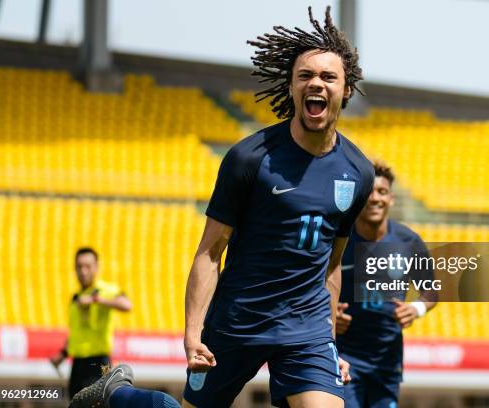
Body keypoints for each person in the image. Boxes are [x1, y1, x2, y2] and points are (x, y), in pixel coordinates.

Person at [70, 7, 374, 408]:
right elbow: (210, 252)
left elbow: (332, 264)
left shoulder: (358, 172)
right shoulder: (250, 158)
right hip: (238, 320)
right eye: (305, 75)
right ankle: (118, 394)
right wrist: (193, 333)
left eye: (328, 76)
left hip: (307, 331)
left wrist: (330, 341)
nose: (316, 83)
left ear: (346, 88)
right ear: (291, 86)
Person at [335, 161, 437, 408]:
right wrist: (328, 314)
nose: (374, 198)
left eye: (381, 192)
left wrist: (416, 309)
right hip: (344, 355)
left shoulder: (407, 241)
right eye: (368, 192)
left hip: (387, 360)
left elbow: (431, 291)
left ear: (390, 198)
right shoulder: (339, 238)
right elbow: (313, 283)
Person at [49, 247, 132, 399]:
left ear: (97, 267)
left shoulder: (104, 290)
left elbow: (127, 305)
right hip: (77, 364)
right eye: (79, 266)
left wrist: (96, 300)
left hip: (98, 363)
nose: (83, 271)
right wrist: (62, 354)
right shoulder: (75, 298)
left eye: (88, 266)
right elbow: (77, 333)